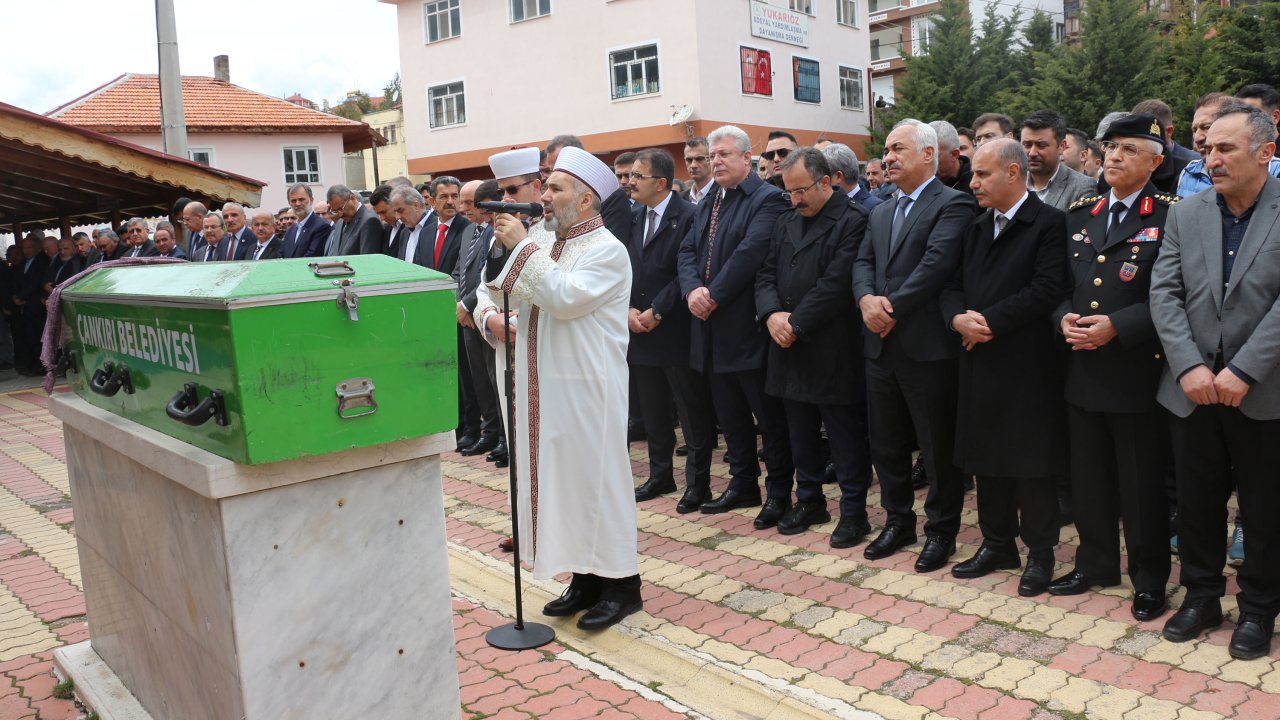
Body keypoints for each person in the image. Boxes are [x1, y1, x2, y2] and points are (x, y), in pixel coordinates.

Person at [474, 146, 640, 630]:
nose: (543, 195)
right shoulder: (546, 241)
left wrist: (522, 247)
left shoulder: (608, 249)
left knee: (597, 481)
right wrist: (505, 255)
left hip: (588, 385)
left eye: (554, 188)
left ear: (585, 199)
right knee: (563, 481)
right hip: (545, 383)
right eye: (544, 187)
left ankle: (623, 586)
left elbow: (565, 299)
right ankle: (586, 579)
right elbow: (501, 289)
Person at [1151, 101, 1280, 660]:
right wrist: (1190, 366)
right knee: (1198, 503)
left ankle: (1259, 608)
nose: (1212, 157)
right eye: (1208, 149)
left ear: (1266, 153)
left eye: (1226, 147)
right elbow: (1165, 292)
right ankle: (1201, 596)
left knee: (1264, 506)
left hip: (1264, 390)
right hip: (1193, 388)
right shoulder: (1187, 212)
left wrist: (1245, 368)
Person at [1047, 114, 1176, 624]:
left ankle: (1149, 580)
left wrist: (1117, 327)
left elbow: (1173, 297)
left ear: (1155, 160)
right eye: (1108, 148)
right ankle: (1096, 563)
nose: (1113, 156)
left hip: (1136, 372)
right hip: (1082, 368)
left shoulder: (1170, 215)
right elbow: (1057, 285)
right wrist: (1063, 320)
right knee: (1089, 479)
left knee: (1140, 485)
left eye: (1127, 148)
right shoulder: (1082, 211)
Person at [941, 139, 1068, 596]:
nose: (972, 183)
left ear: (1013, 174)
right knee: (984, 457)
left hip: (1026, 363)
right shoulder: (976, 227)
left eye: (982, 174)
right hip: (976, 358)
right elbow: (950, 285)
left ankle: (1041, 553)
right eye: (973, 175)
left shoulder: (1050, 223)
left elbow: (1048, 287)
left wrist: (989, 322)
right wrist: (956, 318)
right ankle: (997, 543)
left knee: (1031, 463)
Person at [853, 118, 977, 573]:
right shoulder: (881, 209)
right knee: (886, 443)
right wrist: (866, 300)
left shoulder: (954, 204)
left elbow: (936, 266)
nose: (887, 157)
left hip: (926, 347)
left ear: (928, 154)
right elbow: (863, 260)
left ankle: (941, 530)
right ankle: (897, 520)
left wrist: (889, 310)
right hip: (880, 347)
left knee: (936, 446)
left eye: (898, 148)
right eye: (886, 150)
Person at [755, 147, 874, 546]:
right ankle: (809, 500)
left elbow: (837, 282)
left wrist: (797, 323)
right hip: (785, 342)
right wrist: (772, 314)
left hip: (831, 343)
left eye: (801, 190)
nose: (795, 199)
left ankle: (854, 513)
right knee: (798, 430)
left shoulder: (854, 219)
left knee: (842, 434)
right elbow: (766, 273)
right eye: (789, 191)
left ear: (827, 181)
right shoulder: (787, 219)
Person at [676, 125, 794, 523]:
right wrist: (692, 290)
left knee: (768, 418)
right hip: (708, 329)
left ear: (747, 158)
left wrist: (713, 295)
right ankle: (743, 483)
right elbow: (688, 250)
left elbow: (751, 253)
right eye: (712, 156)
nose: (716, 161)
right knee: (729, 416)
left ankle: (779, 493)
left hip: (747, 328)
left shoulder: (768, 199)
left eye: (724, 154)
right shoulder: (711, 200)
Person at [626, 148, 716, 511]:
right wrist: (629, 310)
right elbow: (625, 267)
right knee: (653, 411)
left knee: (690, 412)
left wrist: (657, 310)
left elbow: (687, 269)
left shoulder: (689, 215)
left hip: (675, 328)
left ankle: (699, 484)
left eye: (638, 176)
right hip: (639, 329)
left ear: (661, 183)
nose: (631, 182)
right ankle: (660, 474)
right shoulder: (633, 217)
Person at [455, 180, 507, 466]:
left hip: (486, 313)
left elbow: (487, 278)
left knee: (494, 376)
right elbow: (459, 271)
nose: (464, 209)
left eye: (469, 203)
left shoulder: (496, 230)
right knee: (479, 380)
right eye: (463, 203)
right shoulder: (468, 232)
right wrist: (458, 304)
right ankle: (491, 431)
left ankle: (502, 435)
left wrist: (468, 305)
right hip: (469, 316)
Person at [1178, 92, 1280, 198]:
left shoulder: (1276, 171)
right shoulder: (1189, 172)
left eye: (1207, 127)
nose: (1197, 138)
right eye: (1194, 130)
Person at [1020, 110, 1097, 212]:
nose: (1032, 153)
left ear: (1061, 146)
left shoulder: (1082, 187)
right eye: (1027, 145)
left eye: (1041, 145)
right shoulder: (1010, 182)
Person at [1133, 98, 1200, 163]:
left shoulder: (1194, 164)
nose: (1138, 141)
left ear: (1169, 131)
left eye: (1146, 135)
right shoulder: (1132, 162)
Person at [324, 186, 383, 255]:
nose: (340, 214)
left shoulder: (370, 221)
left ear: (352, 198)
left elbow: (367, 260)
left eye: (341, 208)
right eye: (335, 210)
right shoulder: (340, 222)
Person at [823, 142, 882, 211]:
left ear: (838, 176)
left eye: (824, 177)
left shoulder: (876, 208)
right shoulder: (827, 205)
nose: (821, 183)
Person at [281, 184, 331, 258]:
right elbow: (281, 254)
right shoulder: (290, 230)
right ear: (289, 203)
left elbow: (311, 256)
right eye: (293, 201)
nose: (297, 204)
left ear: (311, 200)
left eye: (301, 199)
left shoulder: (321, 227)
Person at [931, 121, 973, 196]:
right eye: (922, 155)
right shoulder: (918, 183)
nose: (926, 162)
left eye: (934, 156)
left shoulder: (975, 183)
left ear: (954, 155)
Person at [684, 137, 716, 205]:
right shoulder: (680, 199)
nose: (693, 165)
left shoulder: (723, 194)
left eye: (699, 159)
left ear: (711, 158)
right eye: (689, 160)